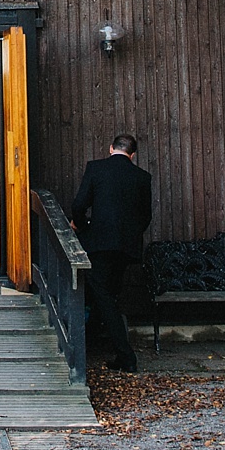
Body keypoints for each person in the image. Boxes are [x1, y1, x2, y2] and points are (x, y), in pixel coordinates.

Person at [71, 132, 154, 372]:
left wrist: (82, 226)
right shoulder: (142, 177)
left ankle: (126, 357)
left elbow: (79, 205)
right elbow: (145, 216)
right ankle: (99, 341)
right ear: (133, 154)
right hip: (127, 248)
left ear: (110, 148)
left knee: (104, 296)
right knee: (108, 294)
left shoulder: (96, 169)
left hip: (99, 243)